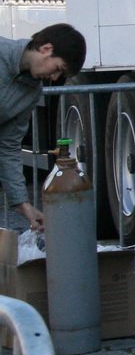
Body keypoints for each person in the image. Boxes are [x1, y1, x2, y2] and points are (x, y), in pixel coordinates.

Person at [0, 24, 85, 232]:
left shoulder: (31, 91)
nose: (54, 78)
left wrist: (23, 204)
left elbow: (9, 146)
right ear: (46, 49)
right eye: (57, 69)